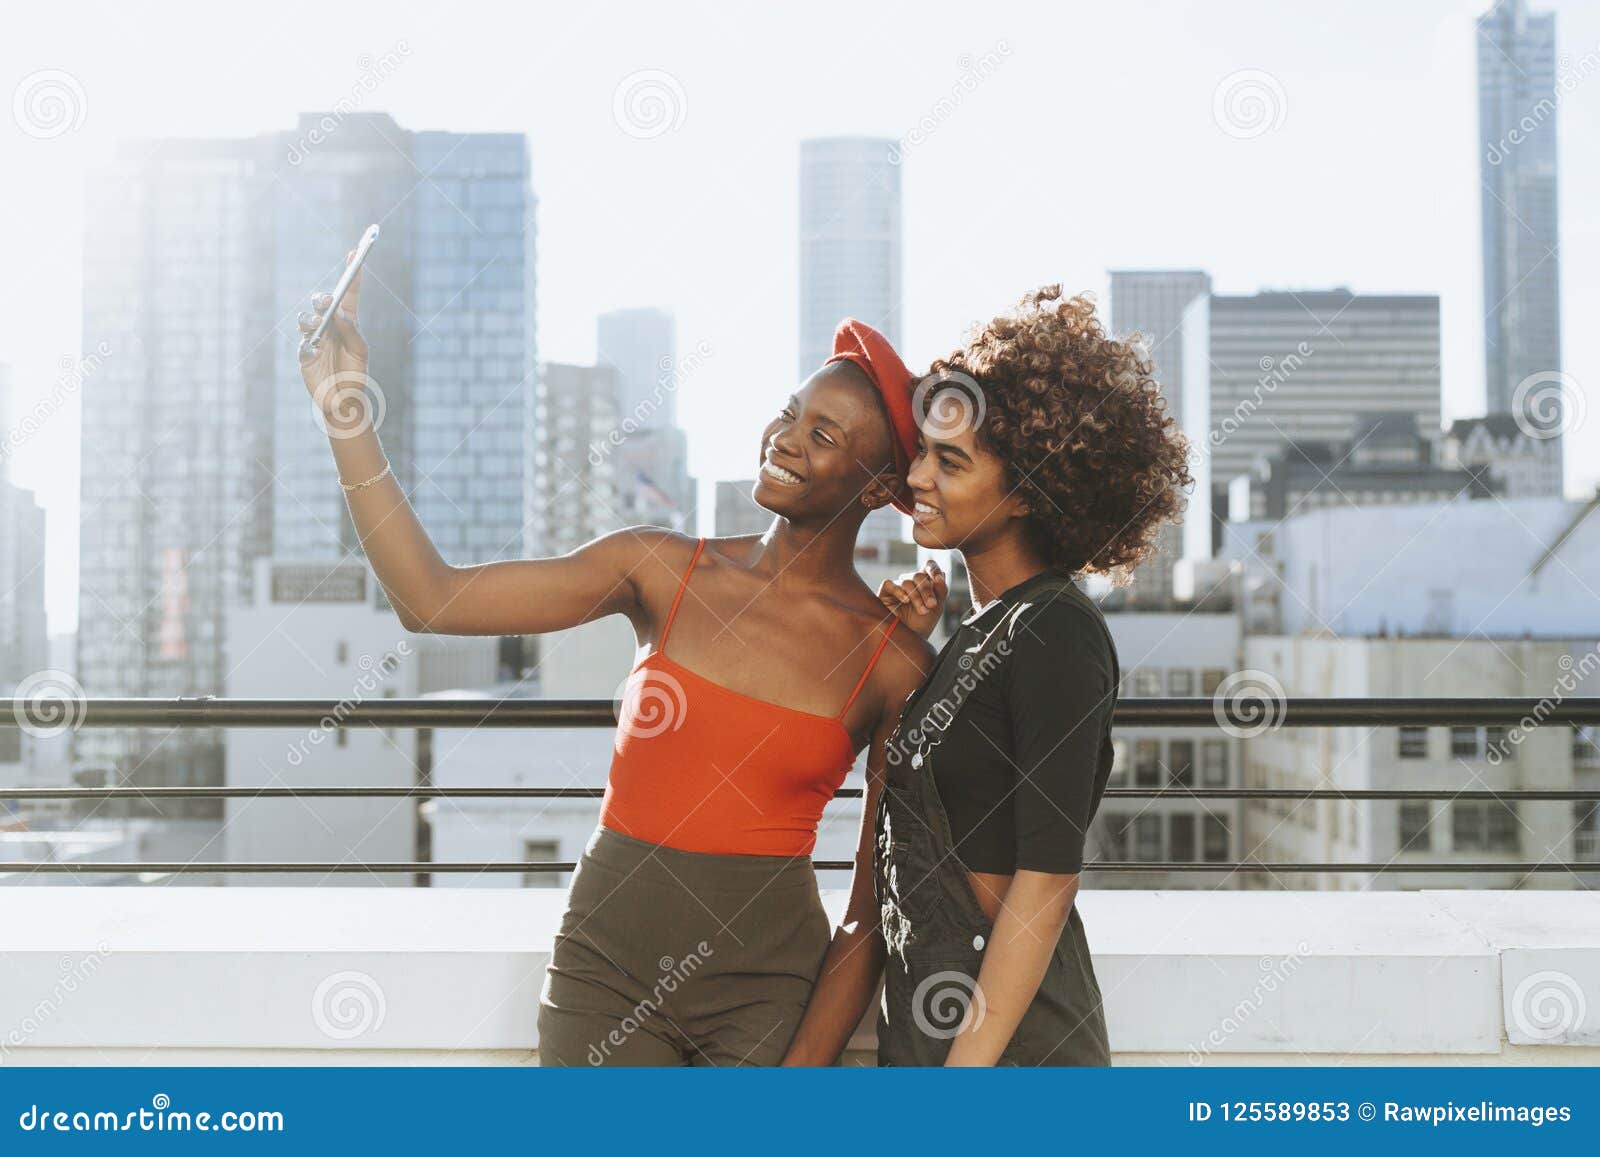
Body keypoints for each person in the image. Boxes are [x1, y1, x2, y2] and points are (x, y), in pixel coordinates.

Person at [294, 251, 937, 1066]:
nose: (785, 438)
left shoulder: (892, 662)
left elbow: (870, 915)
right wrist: (346, 413)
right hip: (607, 975)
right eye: (788, 411)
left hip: (769, 992)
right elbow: (432, 598)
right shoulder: (661, 568)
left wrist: (798, 1076)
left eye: (824, 434)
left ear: (879, 486)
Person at [782, 285, 1193, 1066]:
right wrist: (914, 651)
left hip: (1016, 1059)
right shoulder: (976, 634)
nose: (916, 480)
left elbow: (1045, 886)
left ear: (1026, 494)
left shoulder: (1057, 631)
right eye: (922, 454)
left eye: (950, 461)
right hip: (926, 1045)